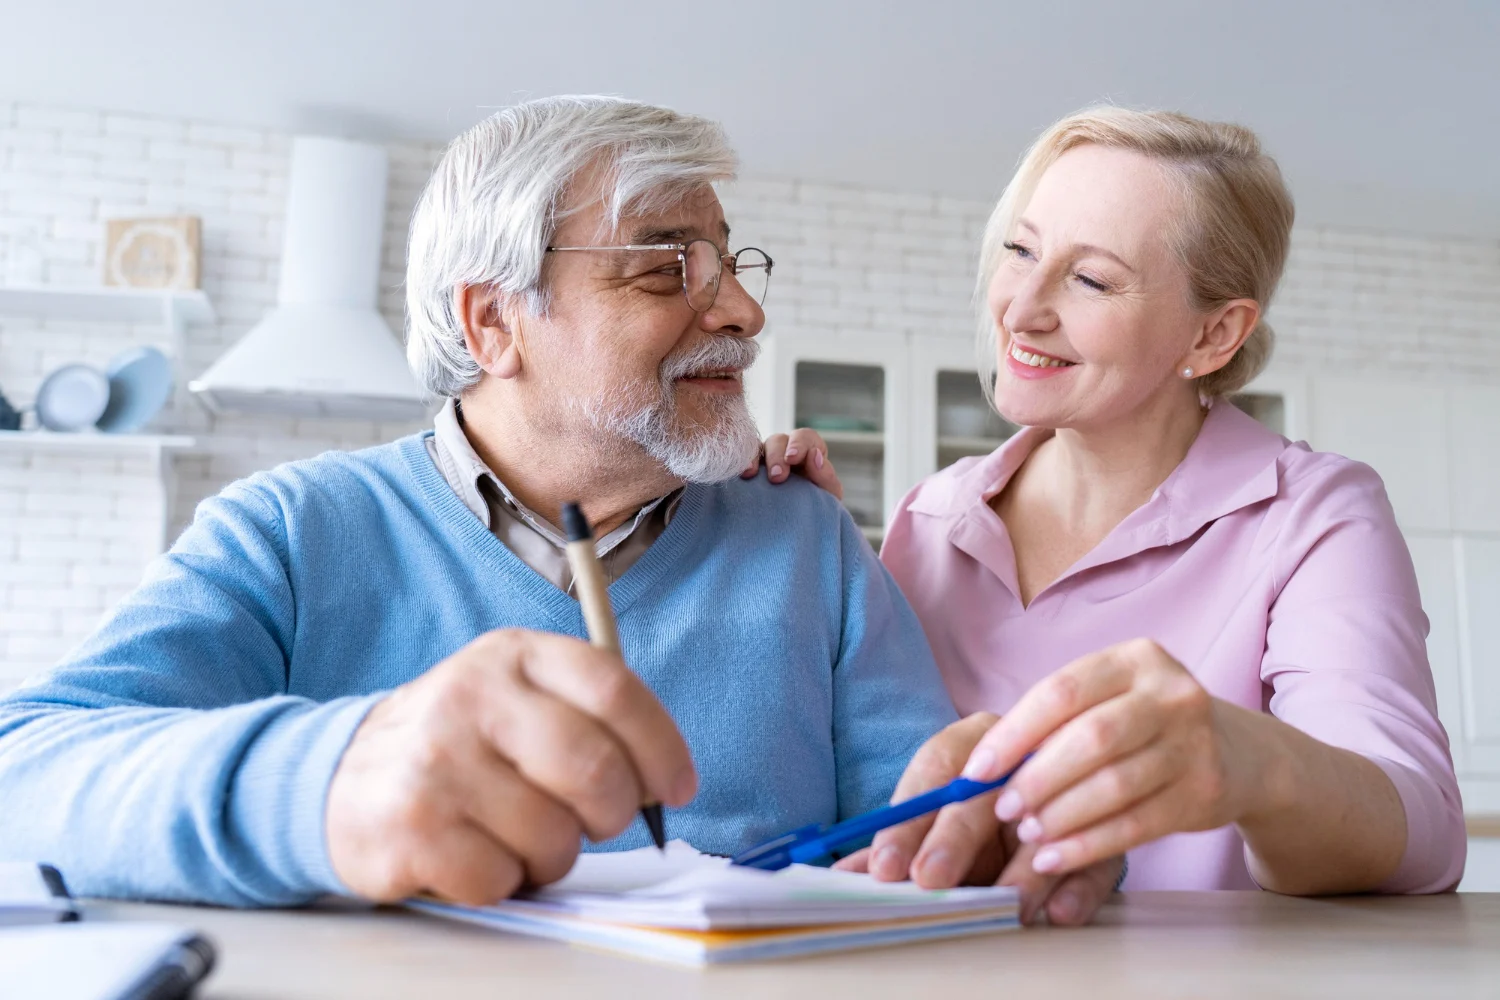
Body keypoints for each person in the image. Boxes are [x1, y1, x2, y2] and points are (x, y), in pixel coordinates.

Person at [0, 96, 955, 908]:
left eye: (730, 265)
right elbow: (24, 771)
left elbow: (923, 834)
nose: (745, 313)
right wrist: (331, 779)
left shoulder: (808, 535)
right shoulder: (292, 531)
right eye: (668, 267)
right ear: (495, 321)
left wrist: (982, 827)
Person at [760, 106, 1465, 925]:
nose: (1021, 309)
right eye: (1021, 252)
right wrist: (807, 566)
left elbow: (1421, 831)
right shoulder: (933, 515)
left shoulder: (1311, 515)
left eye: (1090, 279)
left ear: (1213, 335)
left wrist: (1250, 763)